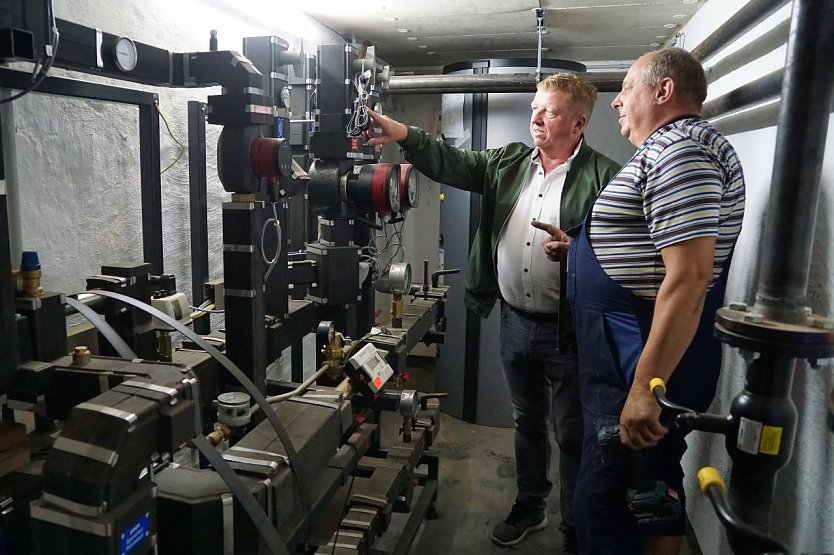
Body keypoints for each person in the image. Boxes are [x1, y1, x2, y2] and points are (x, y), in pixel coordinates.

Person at [365, 73, 620, 552]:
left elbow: (625, 254)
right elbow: (454, 163)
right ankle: (531, 505)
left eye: (550, 111)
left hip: (569, 331)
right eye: (534, 108)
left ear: (579, 121)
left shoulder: (605, 177)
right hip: (515, 321)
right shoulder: (509, 163)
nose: (536, 118)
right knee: (527, 422)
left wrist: (579, 251)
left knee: (572, 431)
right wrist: (404, 134)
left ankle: (574, 525)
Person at [556, 47, 744, 555]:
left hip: (637, 361)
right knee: (650, 493)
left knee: (610, 501)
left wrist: (646, 389)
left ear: (662, 92)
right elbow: (654, 252)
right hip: (626, 354)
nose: (616, 103)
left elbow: (689, 277)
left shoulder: (683, 151)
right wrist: (584, 249)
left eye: (627, 89)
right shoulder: (667, 150)